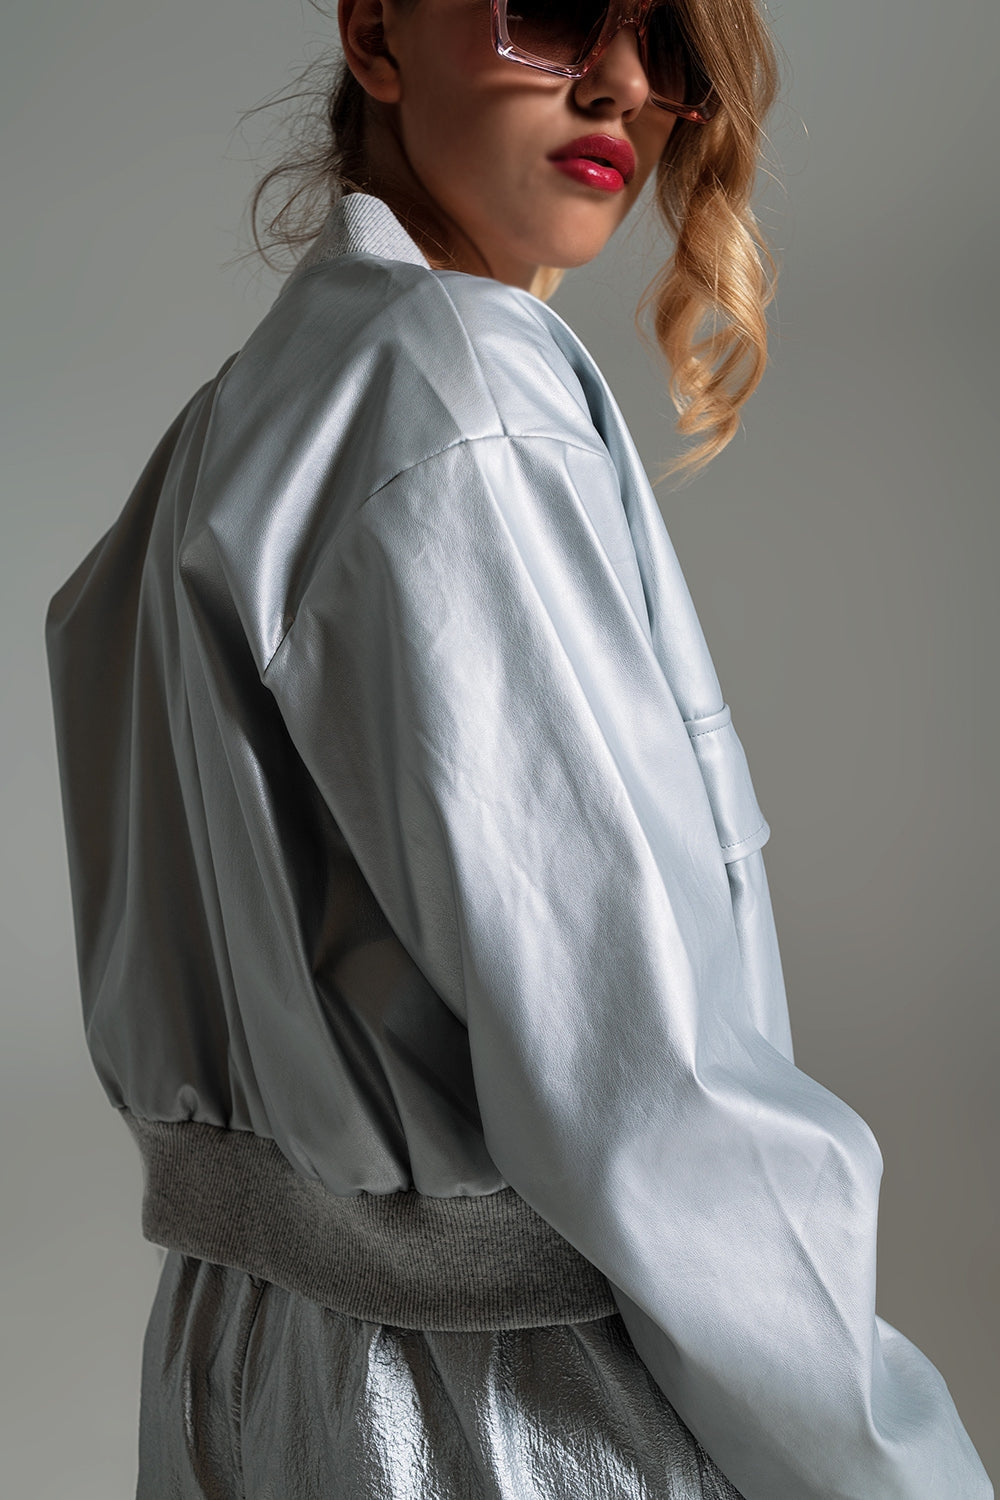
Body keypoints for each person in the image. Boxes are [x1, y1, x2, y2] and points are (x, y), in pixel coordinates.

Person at [43, 0, 992, 1496]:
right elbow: (644, 1092)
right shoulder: (458, 394)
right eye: (548, 12)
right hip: (506, 1416)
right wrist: (896, 1469)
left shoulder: (232, 430)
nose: (621, 82)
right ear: (376, 33)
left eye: (667, 43)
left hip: (245, 1374)